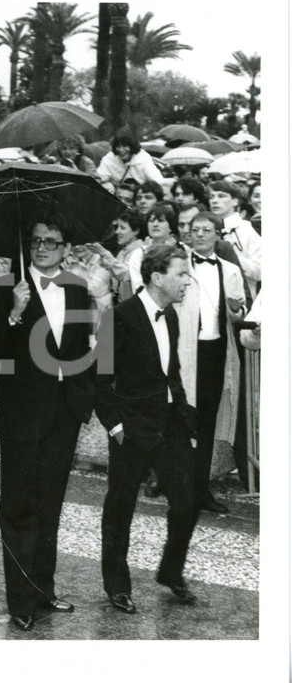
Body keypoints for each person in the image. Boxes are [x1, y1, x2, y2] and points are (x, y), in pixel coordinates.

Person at [0, 209, 96, 631]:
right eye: (36, 241)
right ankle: (21, 601)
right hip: (23, 414)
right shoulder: (4, 288)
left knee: (50, 505)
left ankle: (45, 590)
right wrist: (13, 312)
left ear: (66, 248)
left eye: (51, 241)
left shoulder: (77, 288)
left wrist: (82, 398)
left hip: (64, 412)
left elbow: (82, 344)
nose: (43, 248)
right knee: (19, 507)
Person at [95, 245, 200, 613]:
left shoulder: (170, 317)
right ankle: (117, 586)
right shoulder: (120, 316)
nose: (188, 280)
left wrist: (186, 419)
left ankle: (170, 573)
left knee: (187, 503)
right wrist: (116, 426)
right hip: (132, 427)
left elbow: (170, 373)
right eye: (182, 274)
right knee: (120, 507)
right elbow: (99, 377)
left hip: (169, 425)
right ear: (157, 277)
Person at [177, 213, 246, 515]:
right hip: (185, 351)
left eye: (206, 230)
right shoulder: (178, 265)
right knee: (182, 418)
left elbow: (241, 310)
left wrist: (236, 309)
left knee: (207, 422)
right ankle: (175, 485)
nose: (200, 234)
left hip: (216, 352)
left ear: (218, 234)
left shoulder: (230, 270)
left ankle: (200, 490)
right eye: (195, 230)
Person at [208, 183, 261, 295]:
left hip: (241, 294)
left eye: (221, 196)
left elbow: (260, 271)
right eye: (211, 197)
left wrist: (232, 255)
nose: (214, 201)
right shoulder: (206, 228)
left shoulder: (246, 229)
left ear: (235, 201)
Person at [96, 129, 165, 188]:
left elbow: (158, 181)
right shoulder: (109, 158)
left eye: (124, 146)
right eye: (118, 146)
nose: (121, 150)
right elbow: (100, 177)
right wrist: (107, 184)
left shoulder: (143, 159)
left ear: (132, 146)